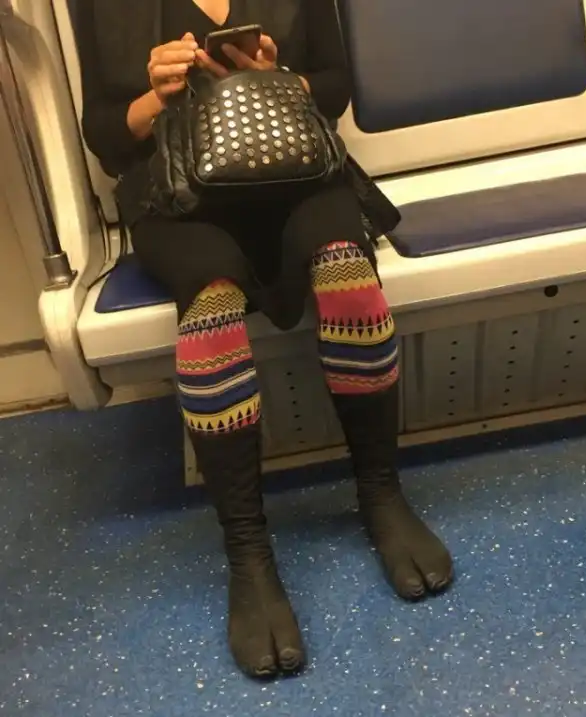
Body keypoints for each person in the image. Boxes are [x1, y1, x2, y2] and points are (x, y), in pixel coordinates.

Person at [78, 0, 453, 679]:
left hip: (294, 168)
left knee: (347, 270)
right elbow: (104, 136)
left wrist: (277, 79)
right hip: (175, 192)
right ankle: (248, 552)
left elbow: (334, 89)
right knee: (211, 298)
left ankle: (381, 493)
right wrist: (156, 97)